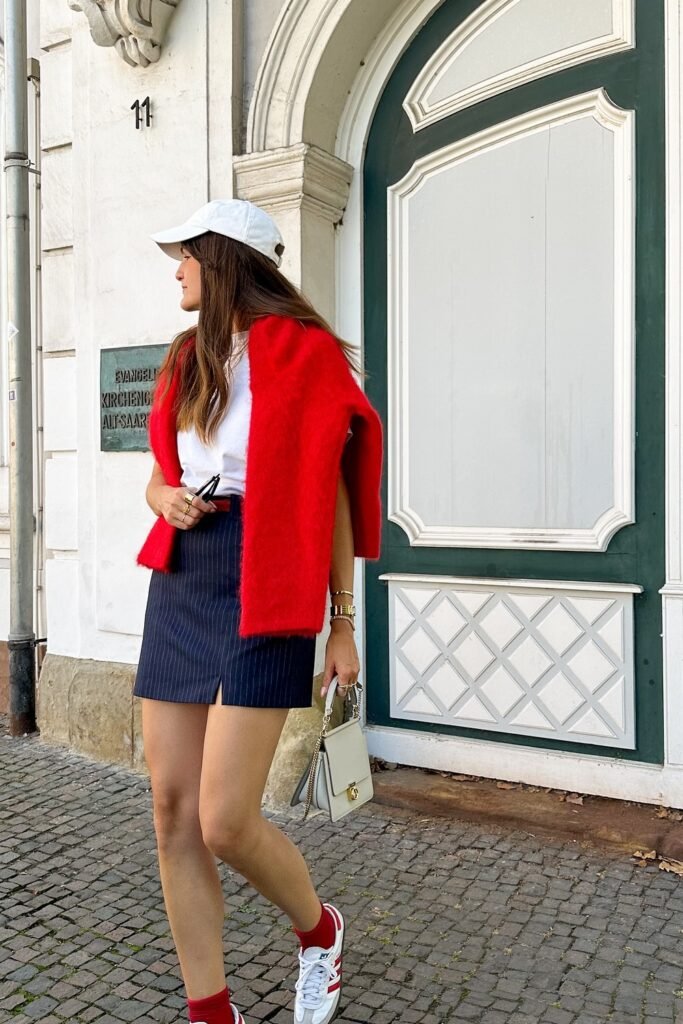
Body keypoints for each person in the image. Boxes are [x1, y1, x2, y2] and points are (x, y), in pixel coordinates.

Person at [133, 199, 383, 1024]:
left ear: (224, 258)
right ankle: (213, 1012)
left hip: (268, 578)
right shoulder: (184, 357)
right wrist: (163, 495)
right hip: (184, 577)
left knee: (225, 822)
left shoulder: (304, 354)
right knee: (172, 809)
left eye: (185, 255)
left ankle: (318, 932)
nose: (175, 269)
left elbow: (336, 491)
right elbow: (158, 473)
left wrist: (341, 620)